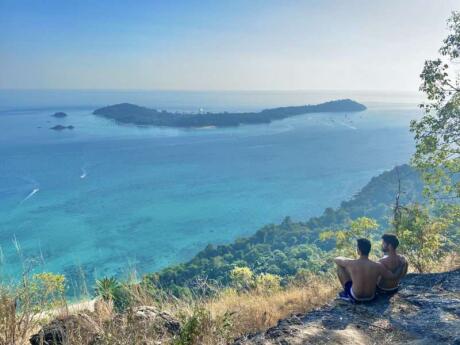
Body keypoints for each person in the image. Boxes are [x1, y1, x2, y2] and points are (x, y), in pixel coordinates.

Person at [334, 238, 401, 303]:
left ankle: (347, 293)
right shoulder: (377, 265)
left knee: (340, 267)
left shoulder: (350, 263)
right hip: (371, 297)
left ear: (358, 250)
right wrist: (400, 267)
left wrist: (348, 260)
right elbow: (393, 277)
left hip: (356, 297)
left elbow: (336, 259)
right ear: (369, 250)